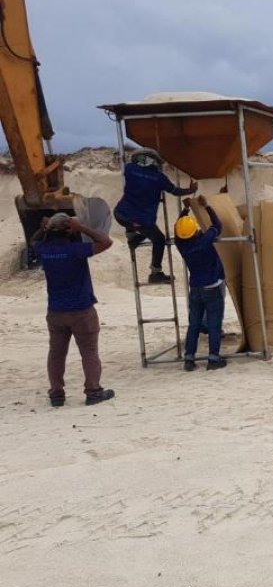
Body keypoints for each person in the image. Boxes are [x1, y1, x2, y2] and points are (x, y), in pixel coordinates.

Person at [32, 213, 115, 407]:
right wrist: (82, 228)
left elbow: (33, 241)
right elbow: (106, 241)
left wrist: (43, 228)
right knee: (89, 351)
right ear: (69, 230)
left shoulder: (44, 250)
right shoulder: (76, 250)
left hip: (55, 311)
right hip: (81, 310)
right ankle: (93, 391)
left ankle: (56, 393)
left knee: (56, 353)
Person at [113, 148, 197, 284]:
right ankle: (155, 272)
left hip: (120, 214)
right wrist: (191, 190)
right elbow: (175, 191)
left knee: (134, 221)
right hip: (141, 221)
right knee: (159, 239)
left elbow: (133, 167)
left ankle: (132, 237)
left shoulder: (129, 169)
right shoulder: (159, 178)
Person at [174, 196, 227, 372]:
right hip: (212, 286)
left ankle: (189, 359)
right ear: (195, 230)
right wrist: (207, 206)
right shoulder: (204, 240)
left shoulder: (181, 245)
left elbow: (178, 230)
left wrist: (185, 210)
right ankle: (213, 359)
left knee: (194, 324)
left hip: (195, 288)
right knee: (214, 324)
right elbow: (217, 225)